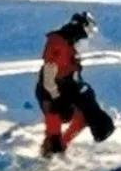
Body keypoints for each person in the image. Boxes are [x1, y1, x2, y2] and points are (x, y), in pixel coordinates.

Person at [36, 11, 97, 158]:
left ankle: (58, 147)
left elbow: (72, 73)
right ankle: (50, 152)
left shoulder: (71, 47)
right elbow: (49, 72)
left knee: (84, 116)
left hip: (62, 90)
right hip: (50, 91)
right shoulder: (60, 44)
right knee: (54, 125)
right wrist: (56, 95)